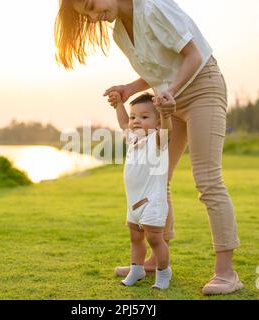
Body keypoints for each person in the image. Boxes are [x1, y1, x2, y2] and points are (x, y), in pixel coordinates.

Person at [55, 0, 243, 295]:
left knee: (207, 179)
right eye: (87, 16)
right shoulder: (119, 32)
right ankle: (157, 258)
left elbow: (192, 55)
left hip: (201, 88)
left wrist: (168, 90)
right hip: (165, 101)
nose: (94, 17)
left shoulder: (153, 7)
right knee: (158, 179)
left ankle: (227, 272)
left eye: (92, 6)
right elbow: (158, 70)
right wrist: (130, 89)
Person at [109, 91, 174, 289]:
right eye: (133, 117)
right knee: (135, 237)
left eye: (144, 117)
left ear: (156, 122)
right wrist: (119, 104)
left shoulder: (157, 140)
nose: (136, 121)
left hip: (152, 200)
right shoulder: (132, 139)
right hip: (134, 201)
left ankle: (163, 272)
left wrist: (165, 113)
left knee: (154, 238)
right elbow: (122, 123)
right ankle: (136, 269)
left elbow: (167, 128)